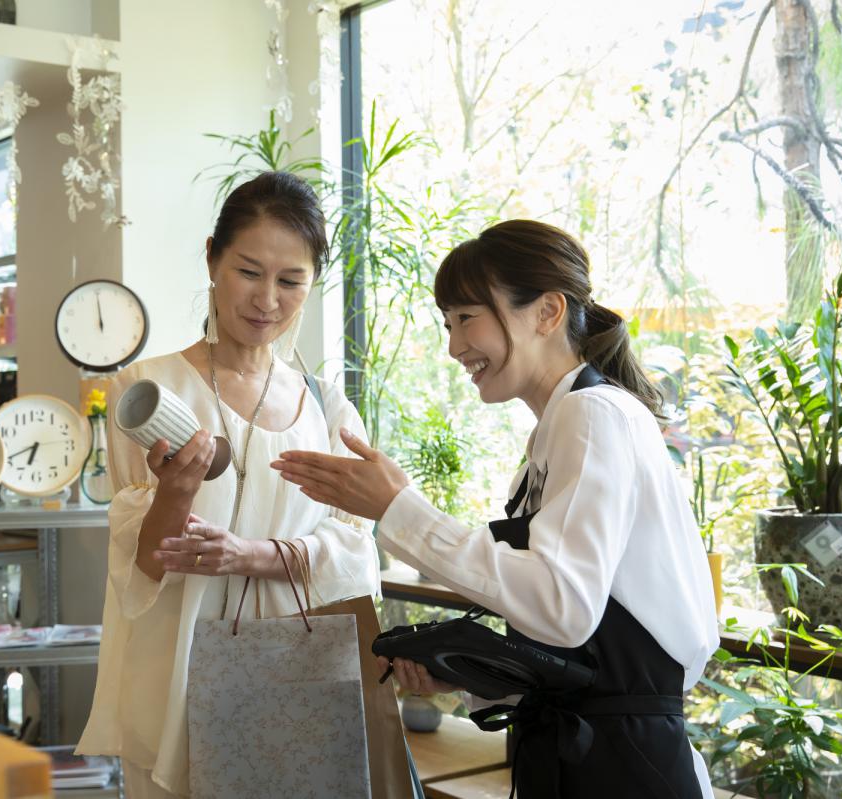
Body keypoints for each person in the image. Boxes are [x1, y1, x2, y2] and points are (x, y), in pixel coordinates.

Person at [272, 219, 720, 798]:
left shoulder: (595, 415)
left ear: (547, 312)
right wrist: (466, 674)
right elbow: (575, 646)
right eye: (447, 323)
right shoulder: (553, 435)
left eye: (466, 318)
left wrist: (398, 508)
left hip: (622, 764)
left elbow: (564, 606)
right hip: (580, 750)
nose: (455, 346)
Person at [76, 171, 380, 798]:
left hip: (299, 671)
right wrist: (175, 494)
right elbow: (140, 567)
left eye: (291, 280)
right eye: (249, 270)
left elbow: (357, 554)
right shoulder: (152, 391)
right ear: (211, 257)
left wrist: (259, 556)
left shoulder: (325, 406)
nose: (267, 299)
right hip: (176, 677)